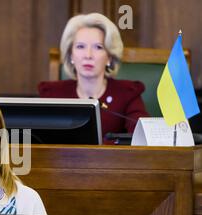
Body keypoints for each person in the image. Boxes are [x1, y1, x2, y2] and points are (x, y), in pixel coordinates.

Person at [38, 13, 149, 143]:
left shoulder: (127, 93)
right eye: (80, 46)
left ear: (109, 57)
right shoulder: (53, 94)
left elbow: (142, 138)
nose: (88, 55)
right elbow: (40, 142)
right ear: (70, 55)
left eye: (98, 47)